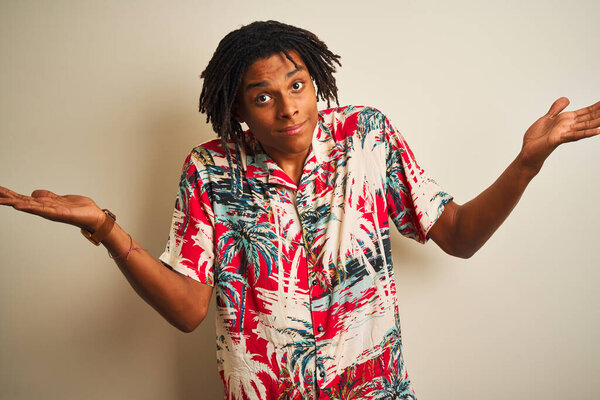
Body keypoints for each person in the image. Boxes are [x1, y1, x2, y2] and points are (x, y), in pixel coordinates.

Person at [0, 20, 598, 400]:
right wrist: (106, 229)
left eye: (298, 84)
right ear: (238, 111)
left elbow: (460, 235)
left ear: (318, 82)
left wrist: (528, 162)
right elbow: (187, 310)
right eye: (262, 97)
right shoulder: (210, 169)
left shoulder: (368, 137)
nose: (287, 109)